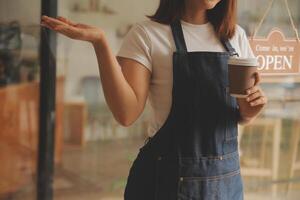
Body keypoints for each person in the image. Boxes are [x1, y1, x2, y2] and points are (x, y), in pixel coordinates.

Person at [41, 0, 268, 199]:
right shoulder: (147, 34)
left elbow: (239, 113)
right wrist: (100, 43)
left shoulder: (235, 36)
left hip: (226, 183)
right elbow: (126, 114)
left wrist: (251, 110)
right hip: (166, 183)